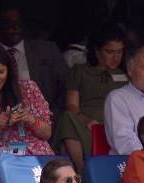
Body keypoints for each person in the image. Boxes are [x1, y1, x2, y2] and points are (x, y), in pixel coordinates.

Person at [52, 23, 127, 172]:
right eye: (110, 52)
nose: (116, 57)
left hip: (114, 127)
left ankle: (84, 177)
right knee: (67, 118)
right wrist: (87, 121)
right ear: (97, 51)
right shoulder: (79, 71)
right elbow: (72, 106)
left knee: (66, 141)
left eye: (119, 52)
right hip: (85, 125)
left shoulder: (125, 75)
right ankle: (84, 173)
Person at [0, 43, 53, 160]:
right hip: (6, 158)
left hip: (38, 153)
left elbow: (47, 133)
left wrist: (30, 119)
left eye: (1, 72)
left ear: (9, 70)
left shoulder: (28, 89)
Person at [0, 3, 68, 123]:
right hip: (3, 123)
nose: (15, 27)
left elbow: (66, 86)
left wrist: (53, 115)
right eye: (8, 23)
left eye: (18, 23)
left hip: (46, 123)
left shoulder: (47, 50)